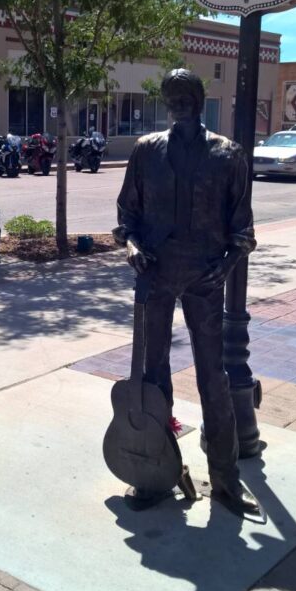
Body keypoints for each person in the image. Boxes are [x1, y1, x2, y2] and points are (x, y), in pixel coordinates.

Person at [115, 69, 260, 516]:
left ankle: (225, 480)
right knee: (152, 375)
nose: (178, 103)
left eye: (185, 96)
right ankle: (156, 473)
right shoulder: (146, 152)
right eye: (171, 97)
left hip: (204, 277)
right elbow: (127, 216)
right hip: (155, 275)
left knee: (212, 378)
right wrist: (132, 247)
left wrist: (226, 267)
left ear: (199, 100)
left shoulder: (228, 155)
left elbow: (244, 231)